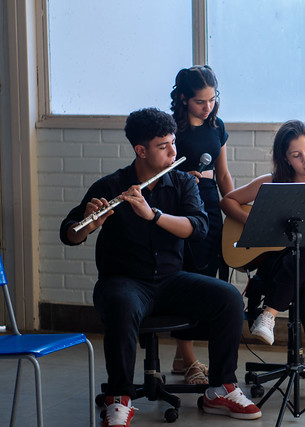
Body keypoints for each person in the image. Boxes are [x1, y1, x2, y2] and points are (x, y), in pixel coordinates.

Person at [60, 108, 261, 426]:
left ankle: (220, 389)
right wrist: (90, 224)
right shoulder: (111, 185)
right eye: (163, 146)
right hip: (125, 281)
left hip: (171, 280)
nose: (173, 151)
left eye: (173, 143)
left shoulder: (182, 182)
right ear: (141, 150)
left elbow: (198, 228)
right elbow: (69, 234)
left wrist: (153, 214)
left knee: (228, 298)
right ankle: (119, 398)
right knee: (121, 303)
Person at [220, 119, 305, 393]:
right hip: (275, 269)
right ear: (286, 159)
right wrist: (252, 221)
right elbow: (227, 200)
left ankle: (269, 313)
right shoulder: (271, 183)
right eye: (297, 155)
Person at [168, 65, 234, 385]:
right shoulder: (172, 131)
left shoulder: (217, 126)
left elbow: (222, 175)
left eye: (212, 99)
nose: (207, 107)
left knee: (209, 277)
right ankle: (192, 360)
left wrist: (234, 210)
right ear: (182, 99)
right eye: (199, 101)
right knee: (190, 281)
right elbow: (158, 174)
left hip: (211, 206)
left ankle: (182, 358)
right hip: (182, 210)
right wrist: (182, 178)